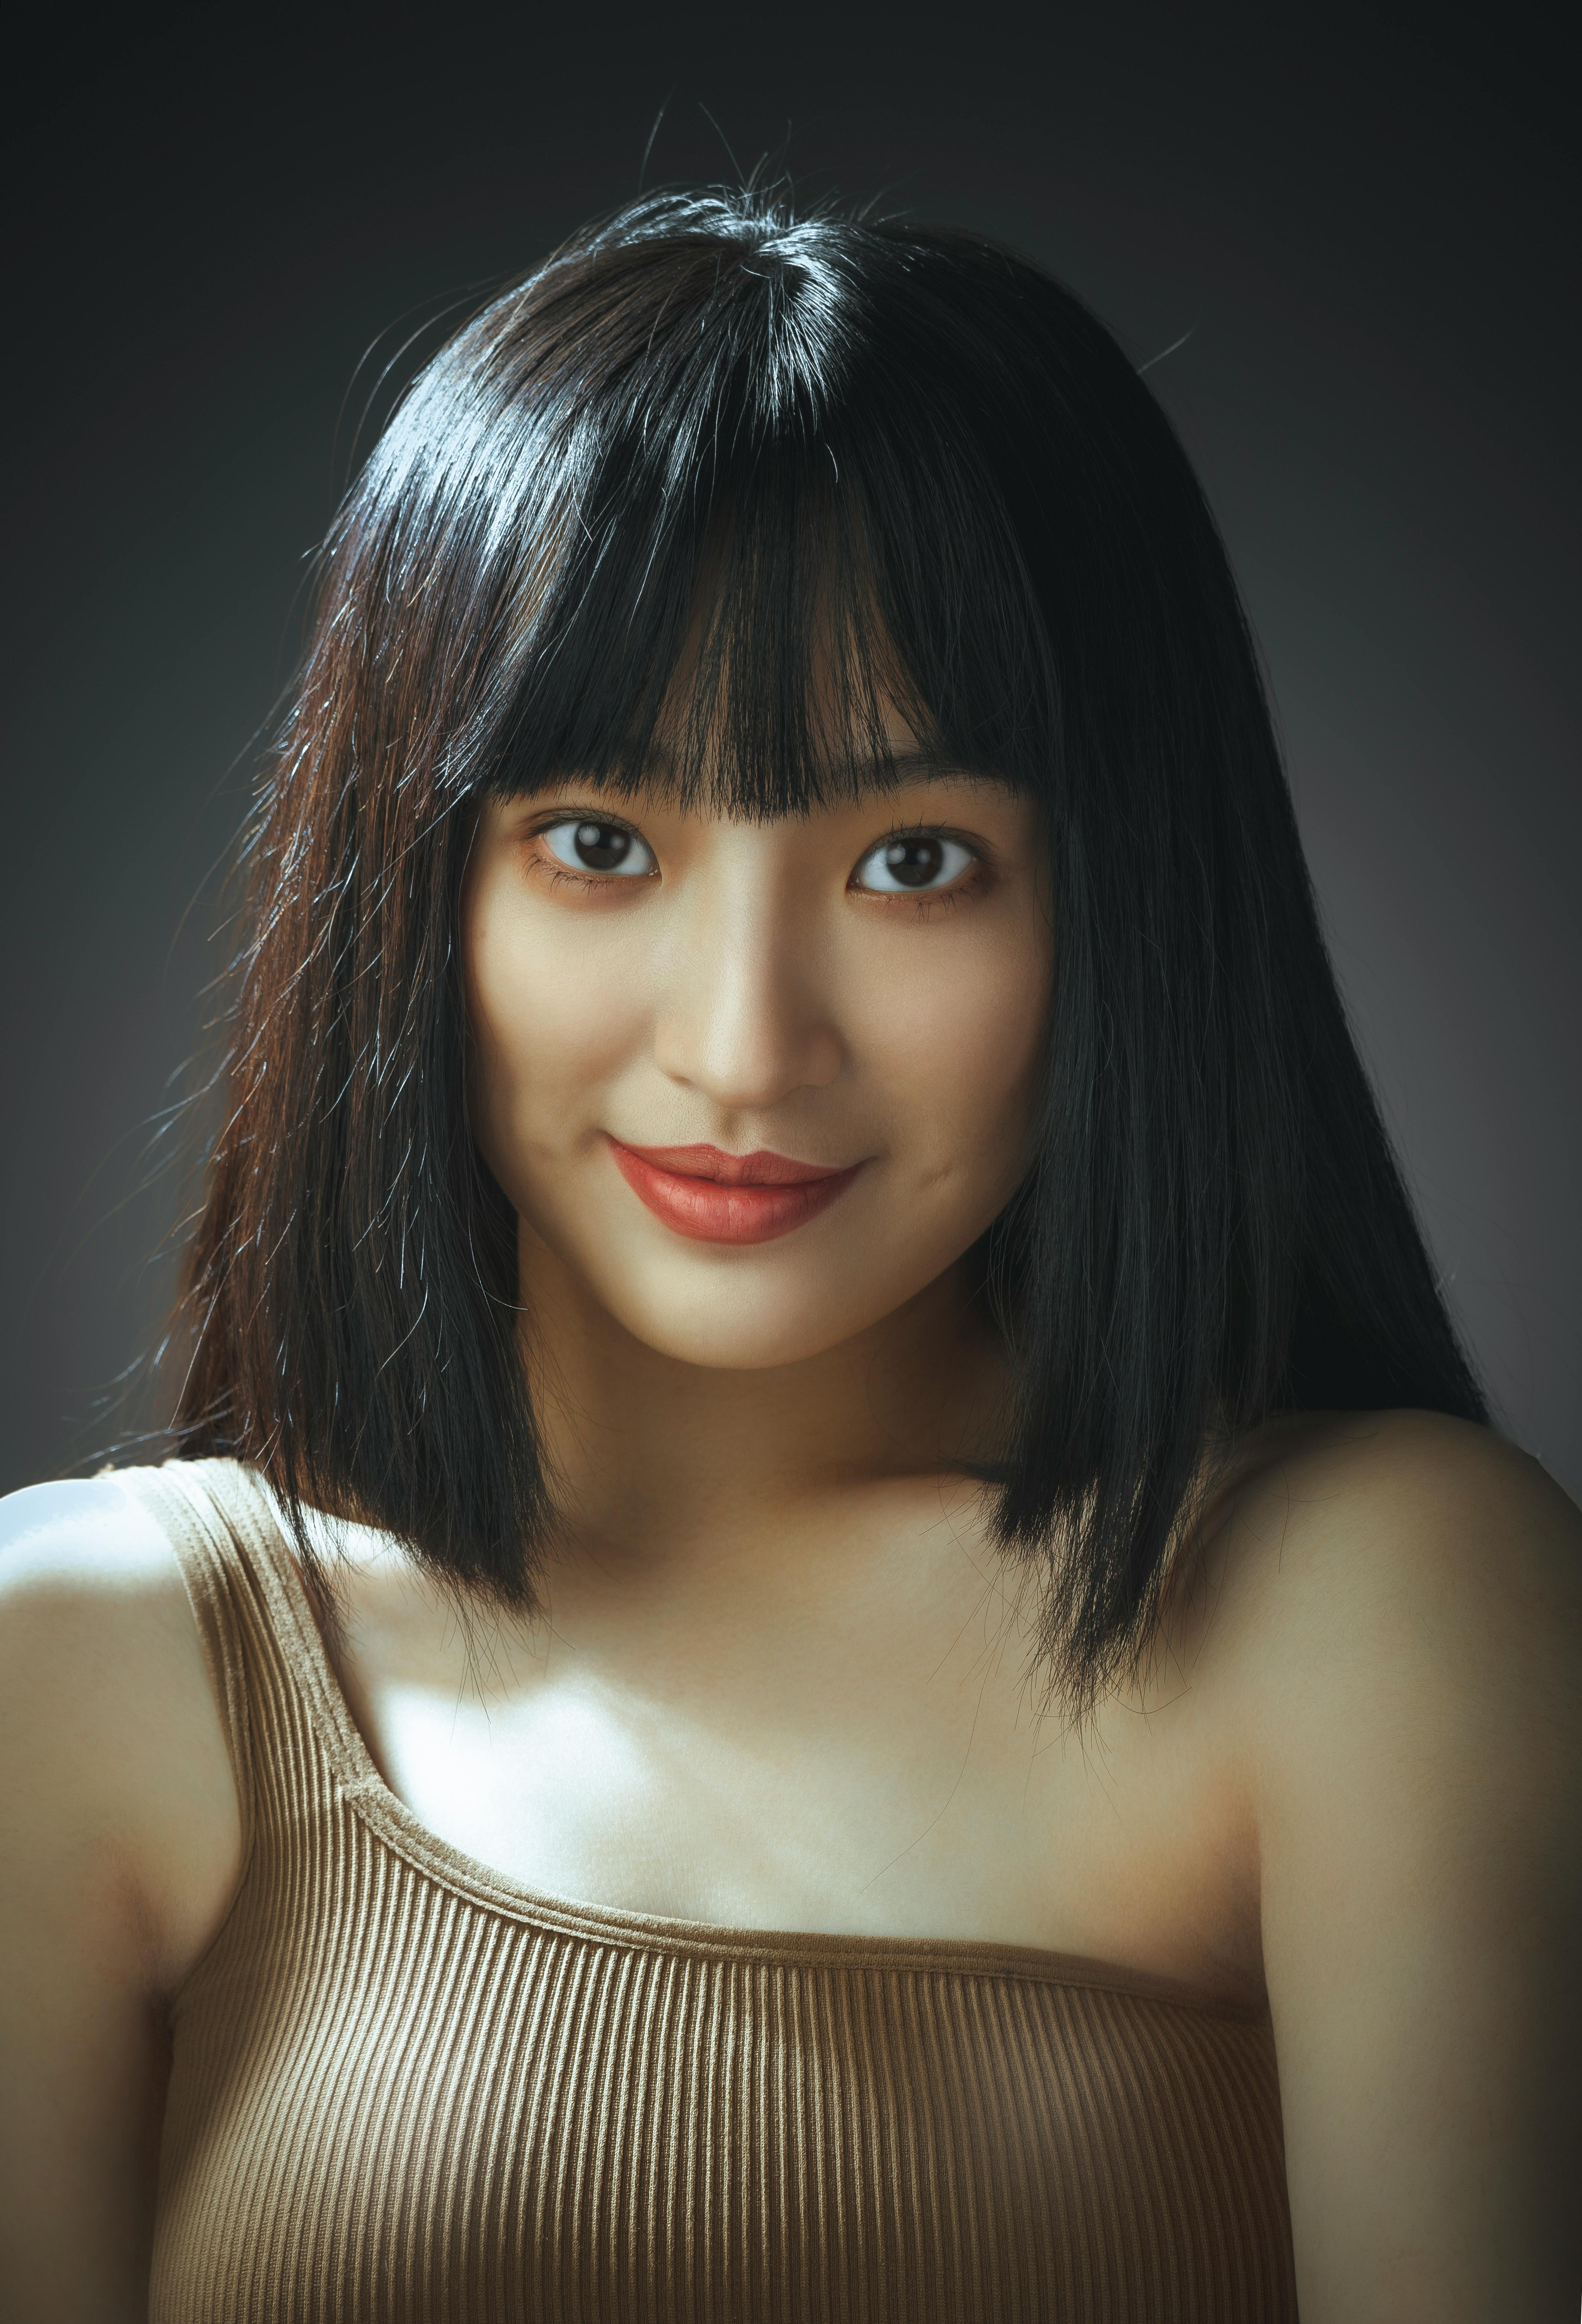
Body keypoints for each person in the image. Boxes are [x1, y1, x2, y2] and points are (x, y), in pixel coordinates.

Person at [1, 184, 1578, 2324]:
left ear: (1124, 903)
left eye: (916, 861)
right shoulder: (73, 1664)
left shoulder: (1370, 1602)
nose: (746, 1044)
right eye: (599, 844)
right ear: (409, 890)